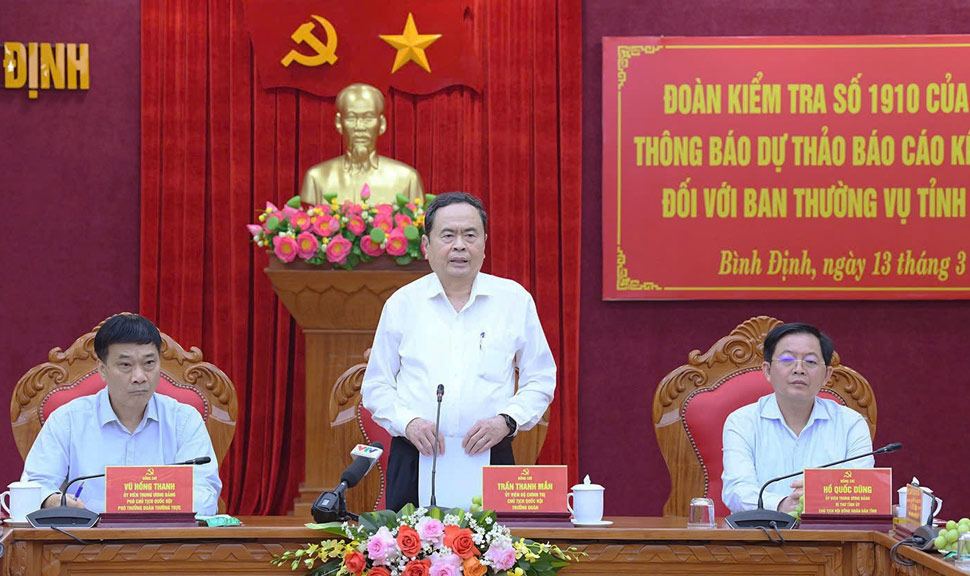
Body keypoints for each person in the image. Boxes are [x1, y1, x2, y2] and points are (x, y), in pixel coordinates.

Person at [361, 192, 556, 511]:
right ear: (426, 245)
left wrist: (506, 421)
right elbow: (376, 386)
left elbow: (541, 379)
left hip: (491, 454)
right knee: (408, 559)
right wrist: (409, 422)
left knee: (495, 560)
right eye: (448, 235)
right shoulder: (402, 304)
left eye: (470, 235)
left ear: (484, 243)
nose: (459, 246)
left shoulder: (514, 301)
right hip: (415, 456)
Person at [23, 314, 221, 515]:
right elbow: (34, 485)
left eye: (149, 363)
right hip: (86, 541)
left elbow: (206, 495)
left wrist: (140, 500)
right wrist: (52, 501)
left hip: (165, 540)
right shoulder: (68, 420)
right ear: (102, 369)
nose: (139, 377)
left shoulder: (184, 420)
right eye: (125, 365)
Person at [721, 322, 873, 514]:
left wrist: (818, 499)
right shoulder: (742, 422)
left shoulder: (851, 424)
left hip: (830, 539)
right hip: (759, 537)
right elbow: (737, 490)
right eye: (787, 359)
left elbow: (861, 491)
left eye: (810, 361)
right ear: (767, 370)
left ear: (827, 375)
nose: (799, 369)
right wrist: (783, 504)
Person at [300, 83, 425, 205]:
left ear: (381, 124)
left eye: (368, 118)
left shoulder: (407, 179)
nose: (360, 127)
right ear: (339, 123)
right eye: (351, 118)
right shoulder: (316, 178)